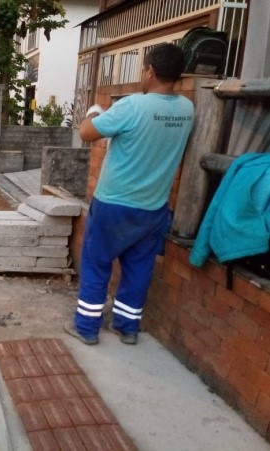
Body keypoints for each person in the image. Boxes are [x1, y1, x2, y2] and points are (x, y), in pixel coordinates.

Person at [65, 43, 195, 346]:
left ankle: (86, 327)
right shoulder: (187, 110)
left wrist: (94, 112)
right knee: (139, 268)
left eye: (143, 68)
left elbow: (86, 133)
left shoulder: (133, 105)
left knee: (97, 263)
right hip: (153, 208)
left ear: (150, 70)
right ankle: (127, 328)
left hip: (113, 204)